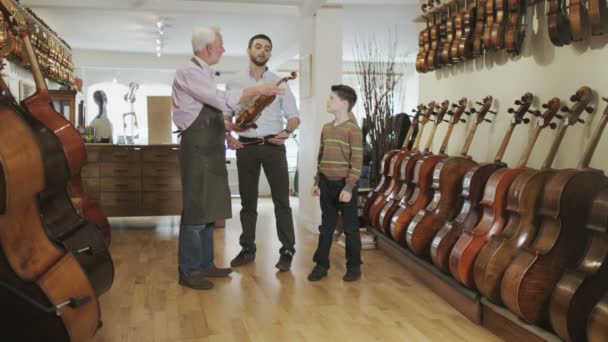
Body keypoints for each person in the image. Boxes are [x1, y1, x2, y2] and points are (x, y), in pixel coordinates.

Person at [171, 26, 284, 290]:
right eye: (220, 45)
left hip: (210, 147)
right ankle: (188, 271)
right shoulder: (188, 72)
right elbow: (220, 100)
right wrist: (260, 89)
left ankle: (206, 264)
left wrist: (228, 130)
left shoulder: (204, 74)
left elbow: (207, 113)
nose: (223, 49)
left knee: (209, 208)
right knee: (196, 210)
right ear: (208, 47)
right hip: (197, 149)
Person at [224, 34, 300, 272]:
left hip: (273, 146)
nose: (262, 51)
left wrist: (287, 132)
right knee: (247, 203)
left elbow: (294, 117)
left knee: (282, 202)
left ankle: (287, 250)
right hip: (245, 146)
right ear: (249, 50)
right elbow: (226, 114)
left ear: (269, 54)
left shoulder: (280, 82)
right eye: (258, 47)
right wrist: (227, 135)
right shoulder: (234, 81)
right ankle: (247, 248)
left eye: (267, 48)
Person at [309, 85, 363, 282]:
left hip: (345, 186)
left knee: (350, 228)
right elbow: (321, 157)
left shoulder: (353, 130)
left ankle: (354, 267)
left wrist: (349, 187)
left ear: (344, 104)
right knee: (326, 227)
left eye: (332, 98)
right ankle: (321, 265)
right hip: (326, 184)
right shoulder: (326, 128)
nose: (328, 101)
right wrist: (317, 180)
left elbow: (357, 162)